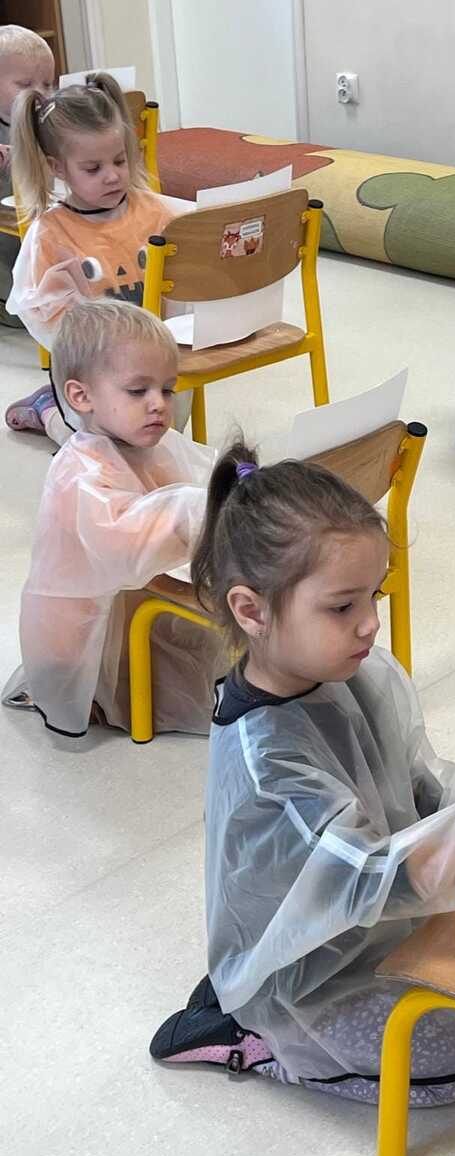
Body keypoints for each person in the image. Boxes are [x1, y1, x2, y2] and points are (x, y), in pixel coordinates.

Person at [149, 442, 455, 1105]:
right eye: (342, 606)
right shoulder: (269, 763)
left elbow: (416, 777)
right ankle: (253, 1039)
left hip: (368, 924)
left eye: (373, 596)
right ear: (251, 610)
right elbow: (363, 874)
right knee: (452, 1076)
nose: (370, 624)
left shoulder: (354, 670)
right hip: (301, 972)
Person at [1, 300, 225, 738]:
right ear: (81, 396)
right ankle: (100, 699)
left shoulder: (149, 442)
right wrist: (194, 509)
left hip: (131, 602)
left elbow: (197, 473)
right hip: (81, 634)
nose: (159, 405)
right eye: (138, 391)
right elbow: (126, 546)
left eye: (168, 389)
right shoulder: (79, 473)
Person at [4, 71, 191, 442]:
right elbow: (48, 323)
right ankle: (48, 412)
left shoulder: (157, 212)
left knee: (164, 437)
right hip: (96, 372)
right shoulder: (51, 234)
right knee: (94, 447)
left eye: (120, 161)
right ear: (57, 167)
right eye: (93, 168)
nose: (112, 177)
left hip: (158, 359)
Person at [0, 25, 54, 326]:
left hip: (44, 236)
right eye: (24, 84)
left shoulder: (48, 119)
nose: (39, 94)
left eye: (47, 84)